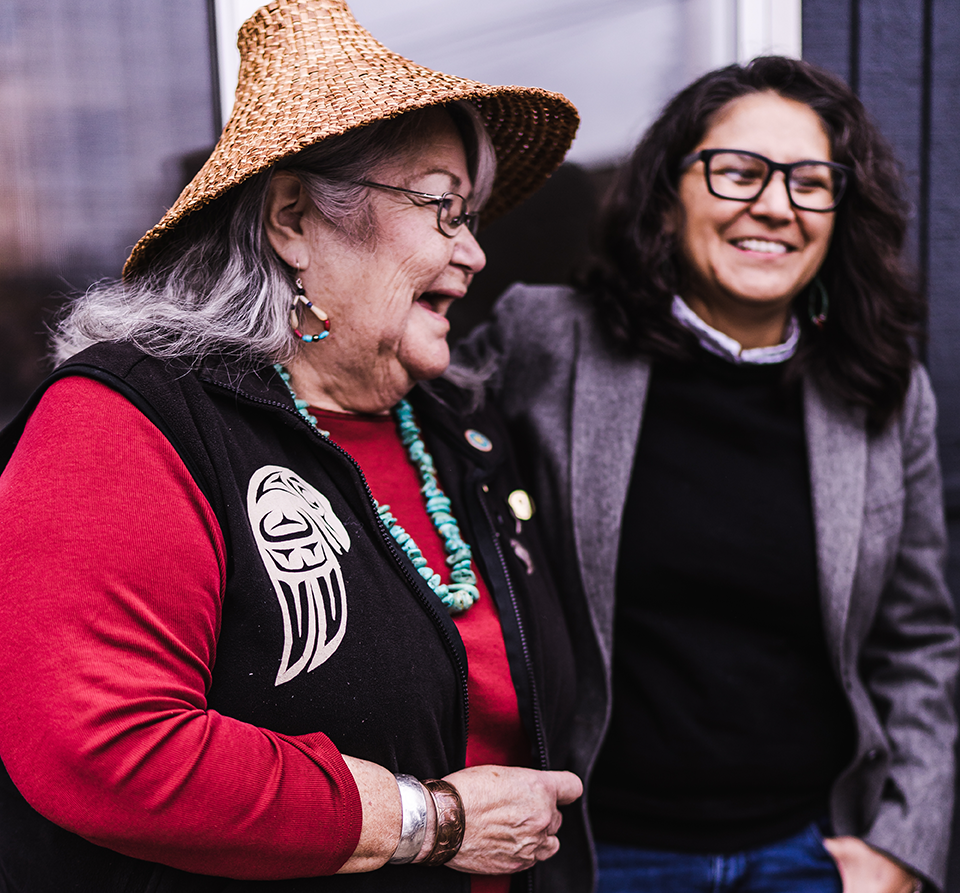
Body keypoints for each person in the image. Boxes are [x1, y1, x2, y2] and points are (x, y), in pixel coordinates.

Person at [0, 1, 589, 891]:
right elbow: (107, 747)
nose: (473, 253)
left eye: (470, 215)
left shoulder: (459, 427)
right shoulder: (131, 419)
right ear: (292, 220)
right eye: (441, 206)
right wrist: (431, 819)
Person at [454, 56, 959, 893]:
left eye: (810, 180)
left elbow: (919, 643)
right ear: (669, 191)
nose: (773, 204)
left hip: (809, 852)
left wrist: (904, 846)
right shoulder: (549, 339)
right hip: (603, 851)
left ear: (842, 211)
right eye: (738, 172)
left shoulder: (883, 393)